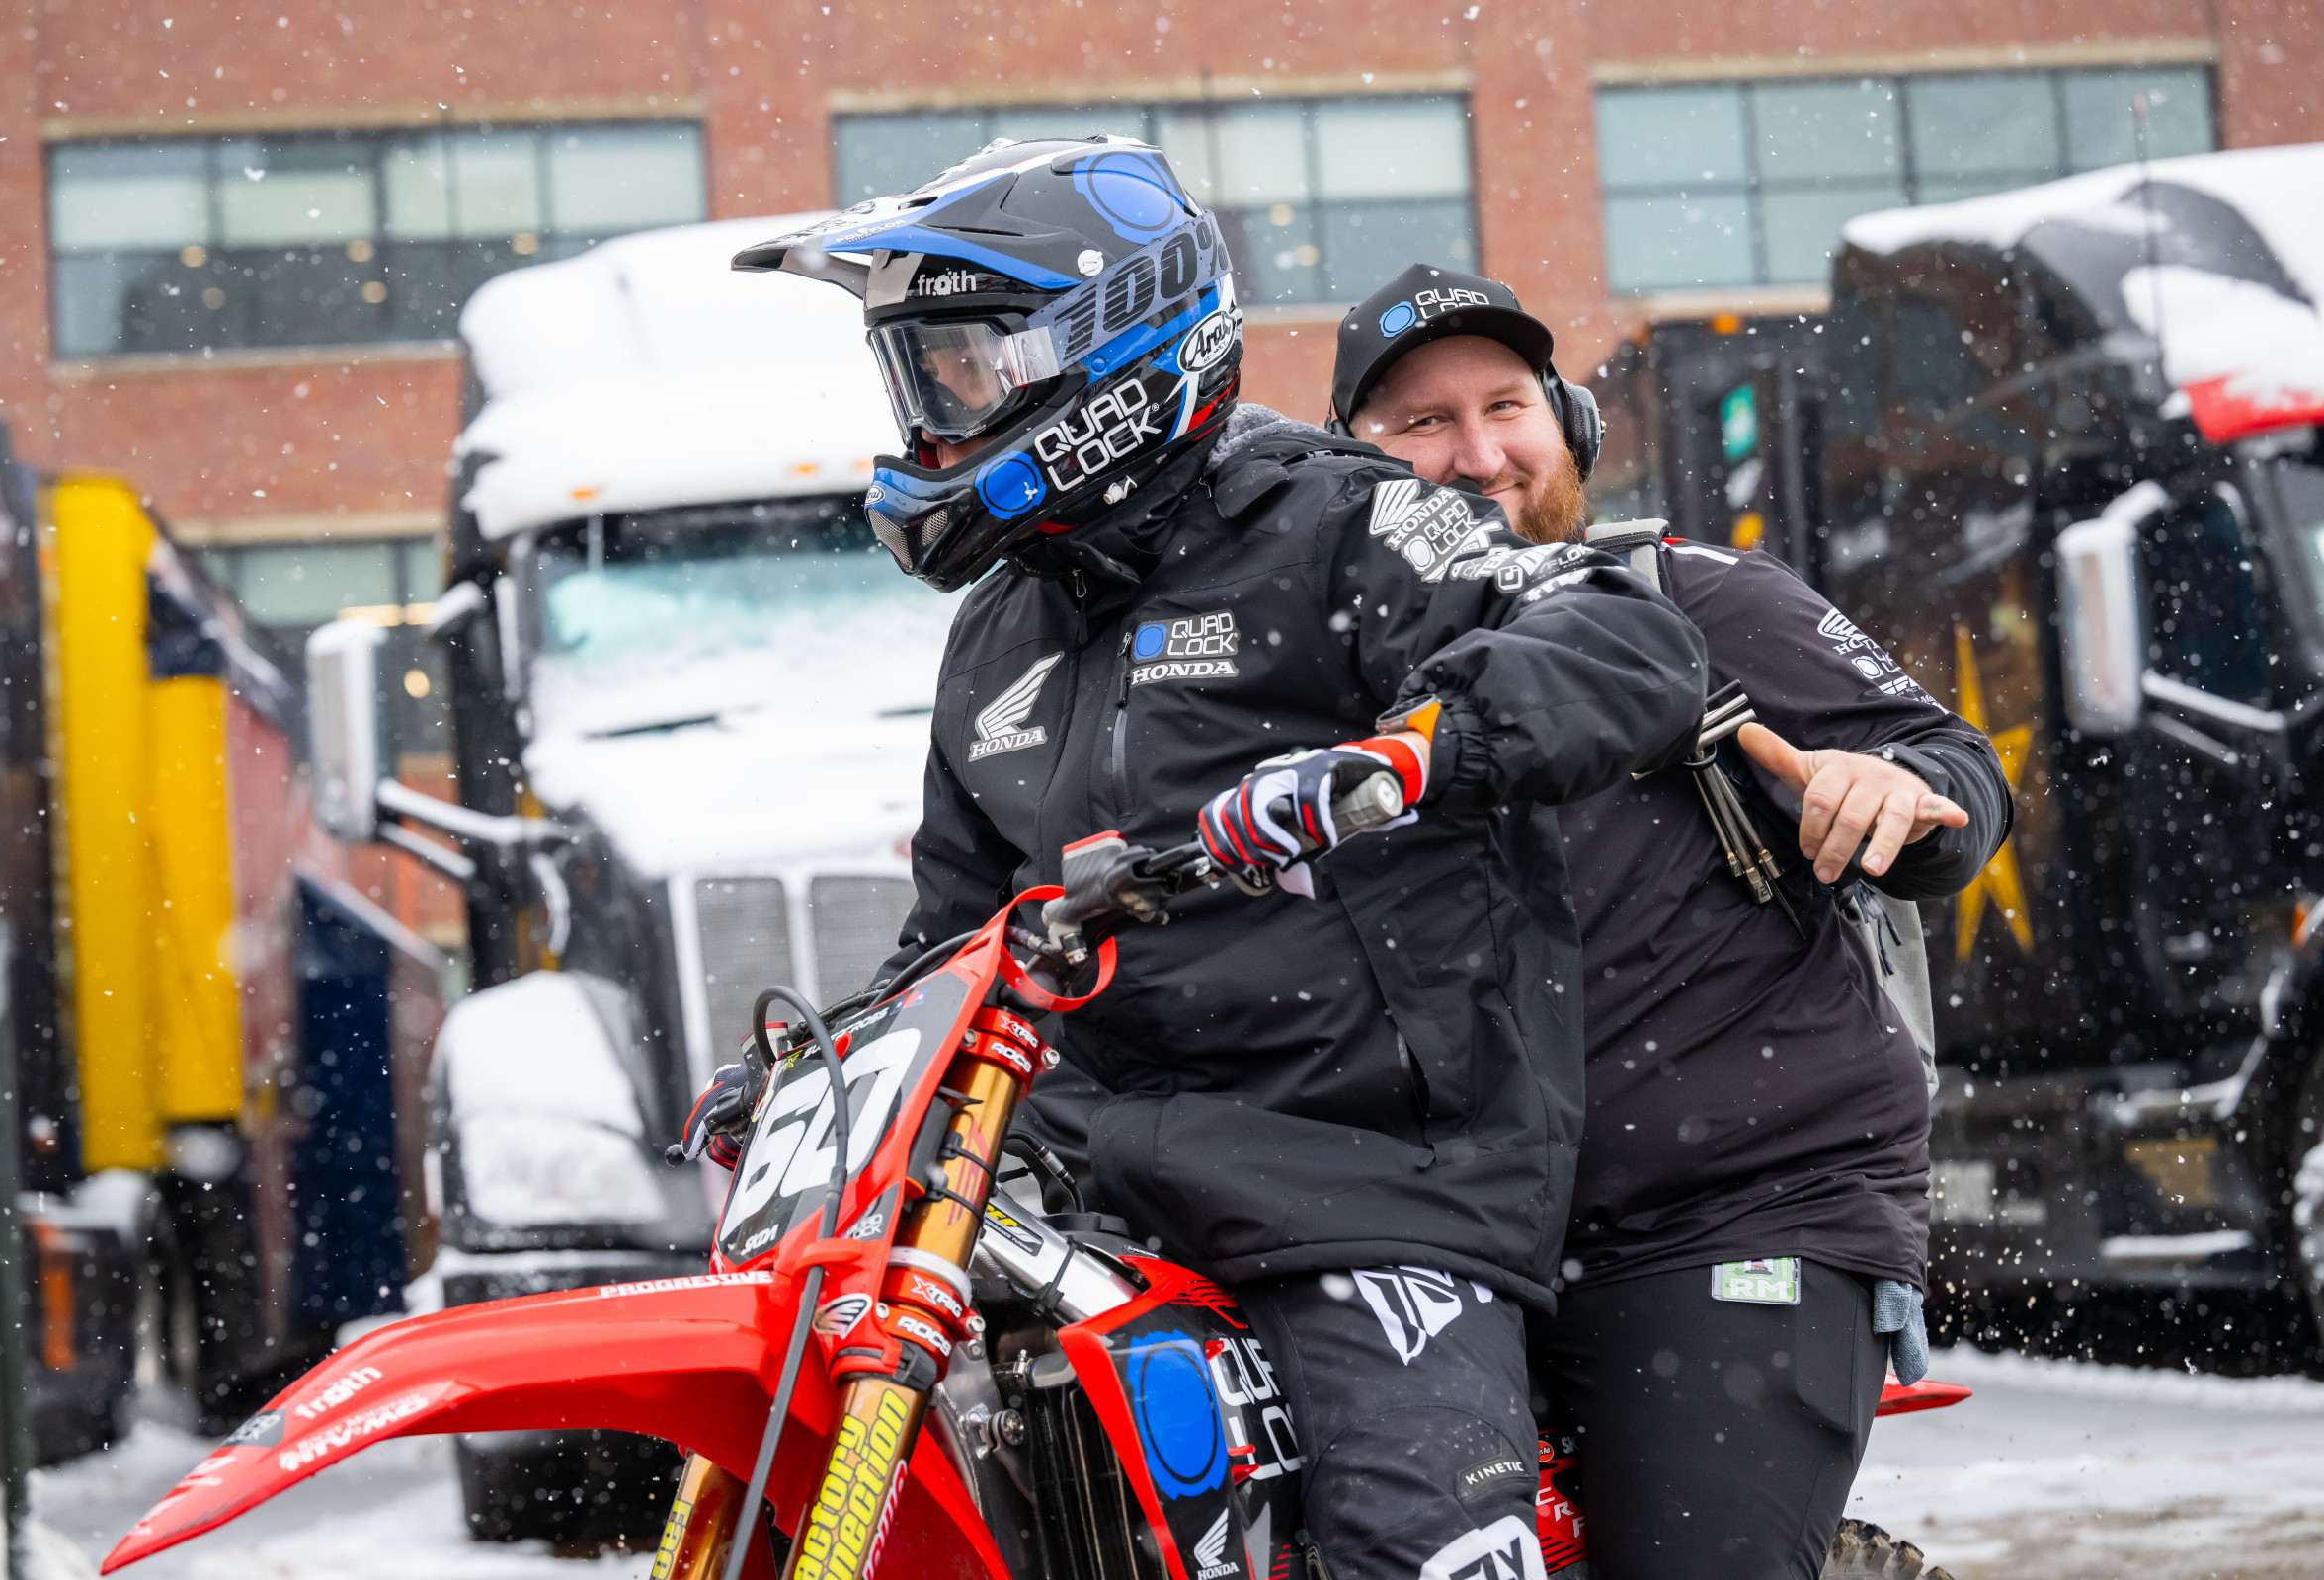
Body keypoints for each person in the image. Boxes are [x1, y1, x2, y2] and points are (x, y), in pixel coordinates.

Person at [725, 142, 1707, 1579]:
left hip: (1373, 1180)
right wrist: (816, 1069)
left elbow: (1621, 642)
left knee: (1409, 1550)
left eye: (964, 373)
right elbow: (954, 933)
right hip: (1091, 1186)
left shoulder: (1347, 520)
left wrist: (1407, 753)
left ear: (1107, 353)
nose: (937, 419)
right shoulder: (1000, 635)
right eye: (920, 381)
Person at [1330, 264, 2014, 1580]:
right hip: (1450, 1233)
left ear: (1567, 420)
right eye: (1420, 424)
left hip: (1734, 1212)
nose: (1477, 455)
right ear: (1341, 476)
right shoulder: (1328, 675)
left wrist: (1903, 790)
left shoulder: (1688, 597)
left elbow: (1952, 771)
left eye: (1505, 406)